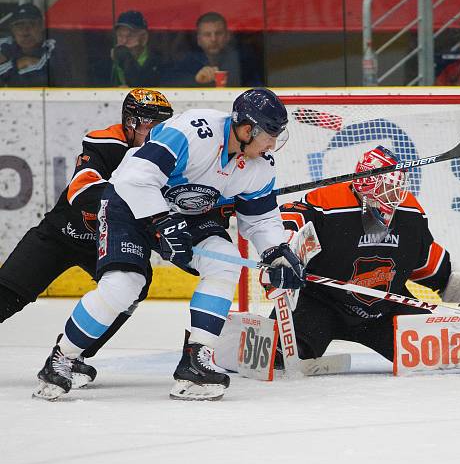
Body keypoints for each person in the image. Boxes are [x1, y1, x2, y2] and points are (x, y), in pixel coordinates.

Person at [32, 88, 306, 401]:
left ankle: (195, 361)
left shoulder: (260, 165)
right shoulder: (192, 131)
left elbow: (259, 219)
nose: (272, 145)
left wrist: (276, 252)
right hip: (129, 203)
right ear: (246, 129)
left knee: (224, 259)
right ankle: (62, 357)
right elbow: (135, 177)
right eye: (269, 136)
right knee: (124, 284)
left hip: (183, 213)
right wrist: (161, 222)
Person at [266, 146, 460, 366]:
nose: (393, 198)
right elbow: (292, 217)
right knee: (281, 358)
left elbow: (427, 262)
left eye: (397, 190)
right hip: (321, 304)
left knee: (443, 353)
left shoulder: (408, 212)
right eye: (387, 190)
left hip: (384, 309)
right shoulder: (328, 203)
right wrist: (283, 254)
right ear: (364, 185)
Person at [0, 89, 172, 384]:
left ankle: (72, 352)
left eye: (163, 126)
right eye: (151, 126)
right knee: (7, 293)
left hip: (107, 244)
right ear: (130, 122)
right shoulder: (105, 142)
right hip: (61, 234)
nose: (158, 134)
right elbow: (81, 189)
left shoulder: (167, 152)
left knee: (134, 286)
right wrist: (134, 200)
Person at [0, 3, 73, 86]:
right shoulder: (5, 44)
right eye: (19, 26)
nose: (25, 32)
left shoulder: (53, 45)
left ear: (41, 26)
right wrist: (18, 64)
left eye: (31, 24)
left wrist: (8, 68)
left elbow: (43, 78)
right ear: (12, 30)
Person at [164, 12, 243, 87]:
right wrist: (196, 80)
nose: (213, 39)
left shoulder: (241, 60)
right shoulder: (188, 62)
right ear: (199, 40)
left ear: (227, 36)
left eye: (218, 33)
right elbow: (167, 84)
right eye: (207, 35)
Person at [110, 10, 161, 87]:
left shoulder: (157, 63)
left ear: (144, 38)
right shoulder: (109, 62)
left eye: (130, 36)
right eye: (120, 35)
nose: (124, 41)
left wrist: (126, 58)